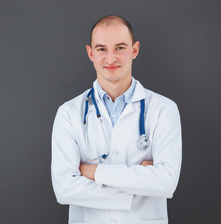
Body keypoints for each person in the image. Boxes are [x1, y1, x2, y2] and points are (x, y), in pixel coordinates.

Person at [51, 15, 182, 224]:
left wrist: (93, 172)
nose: (110, 58)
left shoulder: (164, 110)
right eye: (102, 49)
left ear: (134, 50)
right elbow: (64, 189)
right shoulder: (68, 113)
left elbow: (166, 183)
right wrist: (137, 188)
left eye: (120, 48)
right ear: (90, 53)